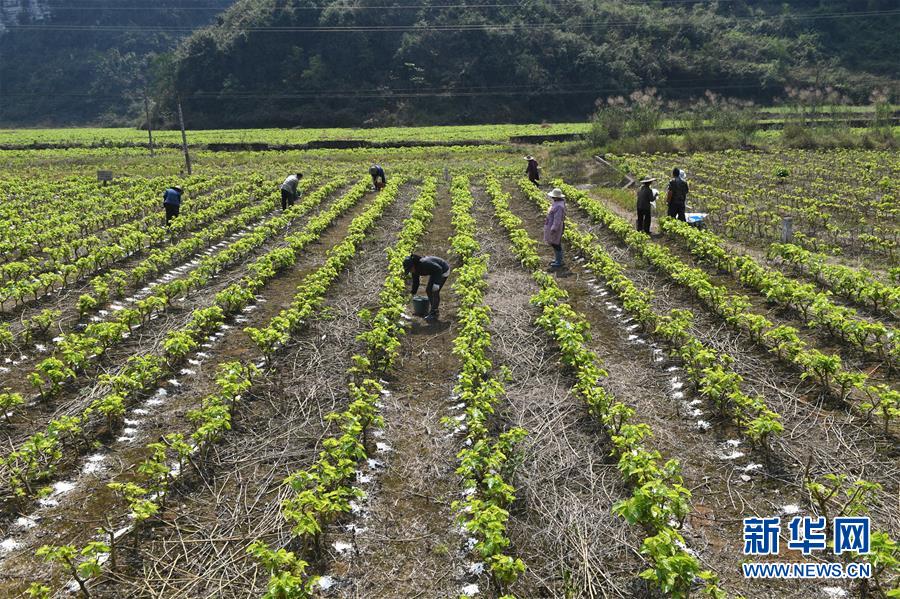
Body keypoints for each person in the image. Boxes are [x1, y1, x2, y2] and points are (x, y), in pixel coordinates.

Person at [403, 254, 450, 323]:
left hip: (443, 269)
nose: (410, 271)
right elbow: (416, 282)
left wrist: (436, 284)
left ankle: (434, 313)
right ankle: (433, 310)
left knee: (434, 291)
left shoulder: (424, 264)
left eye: (410, 269)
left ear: (413, 265)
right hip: (435, 272)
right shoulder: (414, 270)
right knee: (428, 290)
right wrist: (413, 293)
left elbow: (439, 269)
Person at [544, 188, 566, 269]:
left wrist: (553, 228)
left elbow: (557, 219)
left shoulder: (559, 206)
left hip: (555, 227)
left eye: (553, 196)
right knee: (555, 243)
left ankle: (559, 261)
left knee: (556, 244)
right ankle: (557, 259)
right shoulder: (557, 203)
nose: (552, 198)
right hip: (552, 225)